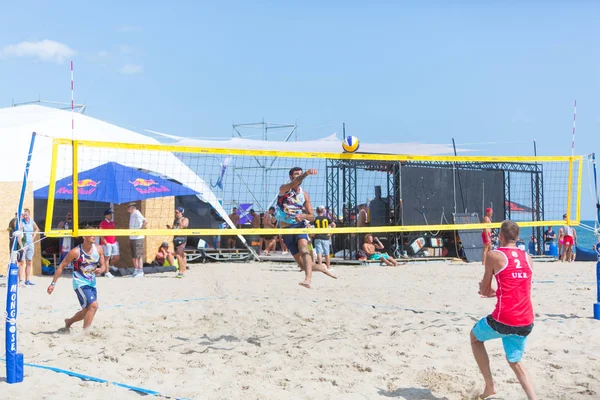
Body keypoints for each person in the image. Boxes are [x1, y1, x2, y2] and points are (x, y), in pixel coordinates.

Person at [471, 220, 536, 399]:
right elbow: (514, 289)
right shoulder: (528, 258)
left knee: (475, 338)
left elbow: (485, 291)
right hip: (526, 320)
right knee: (515, 361)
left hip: (504, 318)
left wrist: (484, 289)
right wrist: (495, 292)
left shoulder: (494, 255)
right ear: (517, 237)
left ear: (500, 236)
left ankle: (490, 386)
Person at [276, 167, 337, 288]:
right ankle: (321, 267)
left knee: (304, 249)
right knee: (303, 265)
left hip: (299, 226)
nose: (299, 176)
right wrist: (306, 174)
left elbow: (312, 216)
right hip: (286, 229)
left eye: (300, 173)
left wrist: (303, 215)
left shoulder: (304, 195)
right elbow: (295, 182)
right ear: (290, 177)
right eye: (296, 174)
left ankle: (307, 280)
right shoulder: (284, 189)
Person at [47, 232, 106, 331]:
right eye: (91, 234)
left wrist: (102, 269)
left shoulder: (98, 248)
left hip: (92, 283)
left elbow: (103, 264)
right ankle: (85, 333)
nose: (94, 236)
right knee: (93, 306)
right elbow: (61, 266)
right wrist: (53, 283)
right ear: (84, 236)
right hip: (80, 283)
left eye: (94, 235)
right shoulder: (75, 251)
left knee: (86, 311)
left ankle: (69, 321)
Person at [166, 206, 188, 278]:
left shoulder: (185, 219)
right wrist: (170, 228)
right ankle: (184, 270)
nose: (175, 214)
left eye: (177, 212)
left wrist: (179, 220)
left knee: (178, 255)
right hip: (176, 239)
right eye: (175, 212)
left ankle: (181, 272)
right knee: (182, 255)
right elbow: (175, 229)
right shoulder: (175, 220)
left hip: (182, 239)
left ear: (181, 212)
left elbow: (182, 226)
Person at [127, 202, 148, 277]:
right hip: (132, 237)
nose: (127, 209)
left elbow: (145, 221)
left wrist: (140, 230)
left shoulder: (137, 213)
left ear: (132, 207)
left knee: (139, 255)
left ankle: (140, 271)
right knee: (134, 256)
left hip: (138, 237)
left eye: (129, 207)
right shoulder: (132, 214)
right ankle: (136, 270)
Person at [20, 209, 40, 285]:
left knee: (29, 261)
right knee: (21, 262)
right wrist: (21, 219)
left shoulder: (32, 221)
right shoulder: (21, 222)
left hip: (30, 243)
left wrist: (33, 236)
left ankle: (27, 280)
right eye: (24, 215)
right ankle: (20, 280)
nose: (25, 216)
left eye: (26, 215)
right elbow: (19, 229)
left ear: (29, 215)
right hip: (23, 243)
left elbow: (36, 228)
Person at [314, 206, 336, 270]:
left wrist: (312, 234)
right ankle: (328, 267)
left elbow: (308, 226)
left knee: (319, 252)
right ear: (323, 211)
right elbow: (334, 225)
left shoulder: (315, 218)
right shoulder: (326, 218)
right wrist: (330, 233)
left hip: (317, 236)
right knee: (327, 253)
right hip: (325, 236)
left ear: (316, 212)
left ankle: (320, 266)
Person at [98, 209, 118, 278]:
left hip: (113, 242)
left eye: (111, 214)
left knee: (116, 257)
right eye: (109, 214)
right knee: (107, 257)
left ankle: (109, 267)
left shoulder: (112, 223)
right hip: (106, 243)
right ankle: (107, 272)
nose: (111, 215)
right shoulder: (102, 223)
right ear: (105, 216)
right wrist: (106, 243)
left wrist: (115, 241)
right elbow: (100, 234)